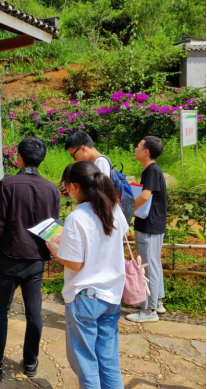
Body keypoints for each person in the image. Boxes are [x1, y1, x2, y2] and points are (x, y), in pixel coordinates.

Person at [0, 137, 60, 381]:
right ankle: (31, 362)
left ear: (19, 157)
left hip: (10, 259)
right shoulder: (51, 189)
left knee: (0, 311)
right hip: (36, 261)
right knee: (34, 313)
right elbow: (52, 229)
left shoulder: (8, 184)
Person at [47, 161, 128, 389]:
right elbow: (120, 233)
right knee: (109, 361)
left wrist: (54, 249)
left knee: (87, 365)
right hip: (111, 294)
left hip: (85, 297)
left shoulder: (77, 217)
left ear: (73, 186)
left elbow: (75, 263)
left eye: (65, 185)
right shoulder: (113, 208)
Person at [126, 136, 168, 323]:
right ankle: (157, 301)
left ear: (146, 152)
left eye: (138, 146)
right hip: (154, 224)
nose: (135, 148)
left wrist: (126, 211)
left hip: (149, 226)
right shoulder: (153, 170)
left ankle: (149, 311)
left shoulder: (151, 170)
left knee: (148, 266)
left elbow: (144, 196)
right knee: (154, 264)